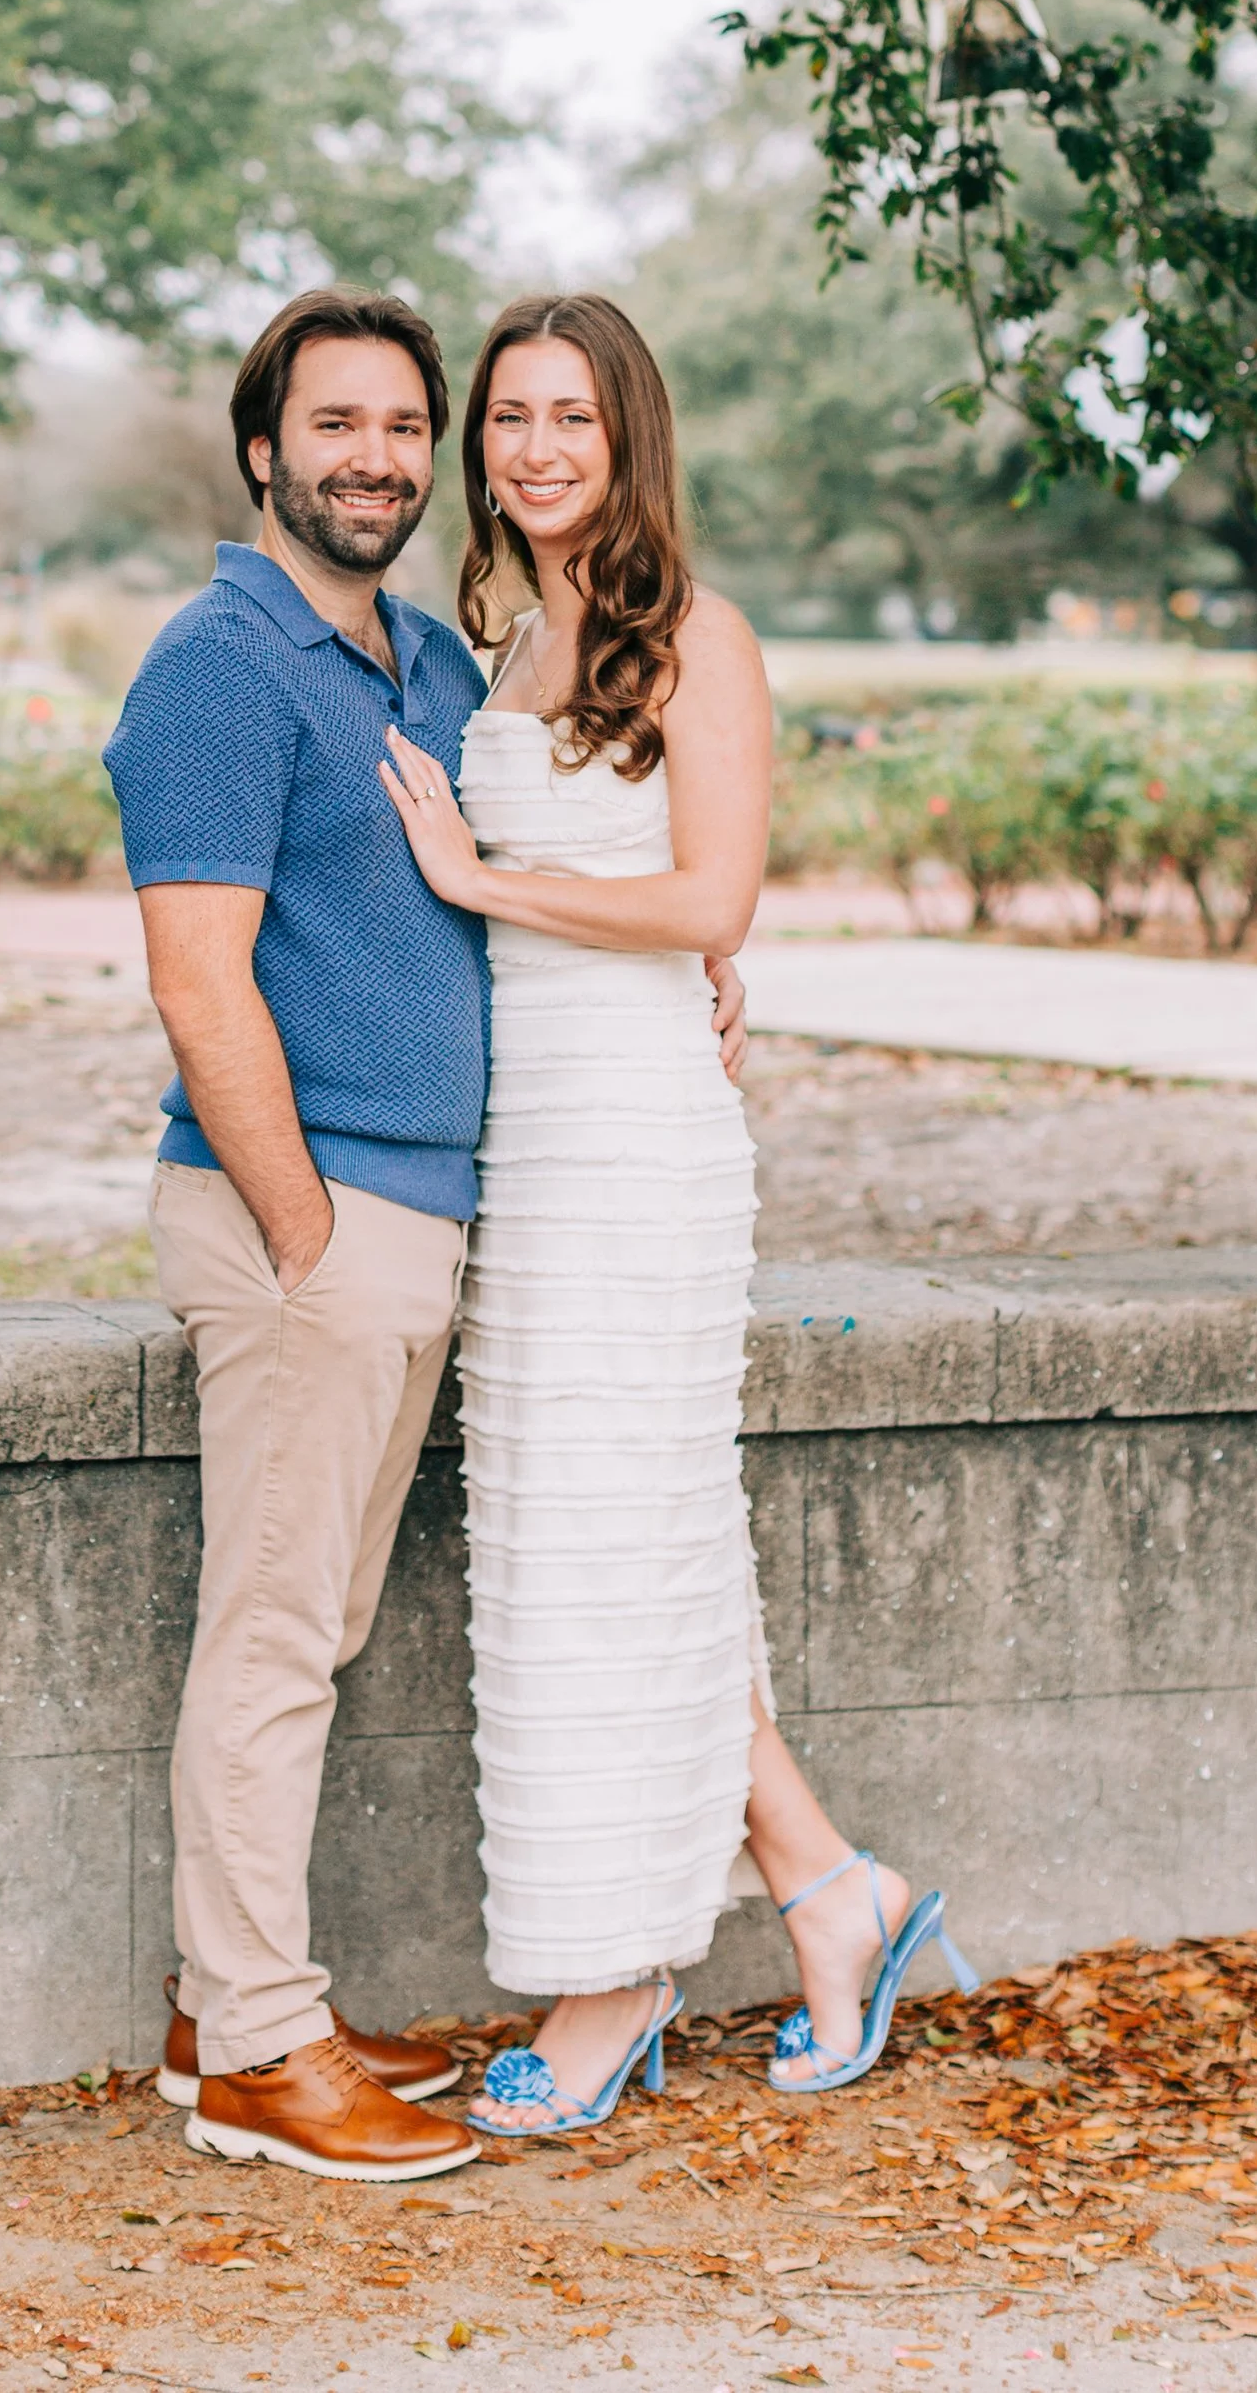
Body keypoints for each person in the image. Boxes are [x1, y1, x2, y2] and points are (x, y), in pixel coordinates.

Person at [103, 288, 748, 2184]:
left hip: (428, 1204)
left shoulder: (425, 667)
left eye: (406, 426)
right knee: (281, 1629)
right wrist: (304, 1225)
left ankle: (228, 1998)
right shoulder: (219, 664)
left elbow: (562, 878)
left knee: (321, 1616)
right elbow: (197, 978)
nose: (378, 457)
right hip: (315, 1216)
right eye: (338, 427)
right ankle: (256, 2054)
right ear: (261, 451)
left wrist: (709, 966)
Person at [380, 292, 974, 2136]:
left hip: (638, 1144)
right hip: (529, 1141)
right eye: (510, 418)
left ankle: (615, 1973)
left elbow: (713, 898)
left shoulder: (699, 639)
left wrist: (493, 877)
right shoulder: (503, 641)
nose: (536, 447)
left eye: (573, 415)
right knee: (594, 1544)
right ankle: (824, 1891)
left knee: (608, 1541)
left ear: (630, 436)